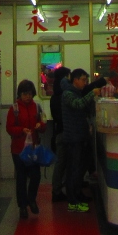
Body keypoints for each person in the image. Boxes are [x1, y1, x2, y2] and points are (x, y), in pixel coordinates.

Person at [60, 68, 106, 211]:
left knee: (79, 169)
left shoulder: (77, 92)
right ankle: (72, 201)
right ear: (75, 80)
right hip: (72, 138)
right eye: (83, 80)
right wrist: (92, 93)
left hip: (80, 136)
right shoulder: (68, 94)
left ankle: (77, 194)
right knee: (73, 169)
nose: (85, 83)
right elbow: (78, 104)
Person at [5, 79, 46, 222]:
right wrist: (21, 130)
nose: (27, 97)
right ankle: (22, 206)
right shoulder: (14, 109)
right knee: (21, 177)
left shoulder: (37, 107)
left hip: (33, 148)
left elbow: (43, 124)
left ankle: (31, 199)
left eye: (29, 94)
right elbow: (9, 128)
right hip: (18, 149)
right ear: (20, 94)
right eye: (24, 94)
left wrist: (40, 125)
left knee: (36, 175)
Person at [48, 66, 70, 202]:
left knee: (61, 163)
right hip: (64, 132)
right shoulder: (63, 96)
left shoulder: (54, 96)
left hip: (59, 132)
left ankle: (58, 189)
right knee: (62, 163)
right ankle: (57, 190)